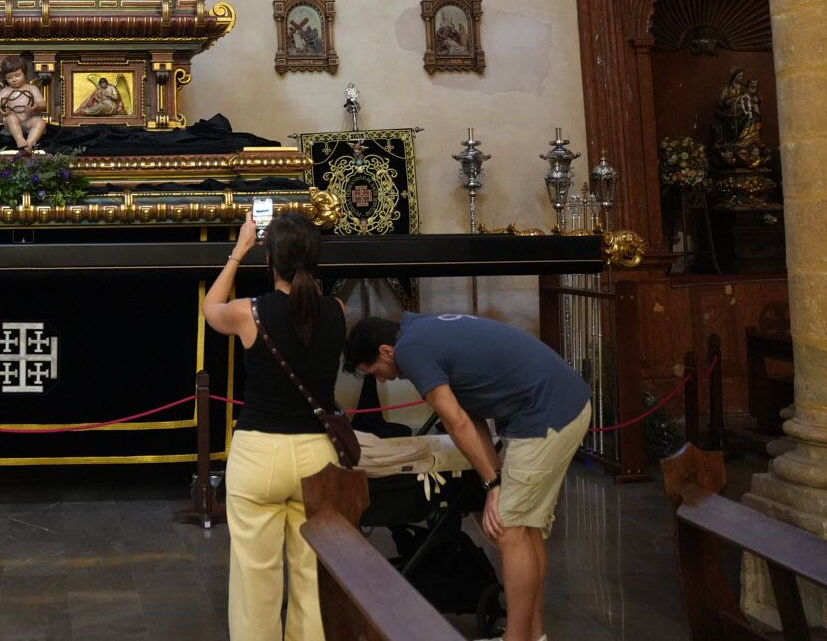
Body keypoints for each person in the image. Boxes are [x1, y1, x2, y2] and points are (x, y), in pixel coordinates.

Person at [345, 314, 592, 641]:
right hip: (561, 401)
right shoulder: (418, 328)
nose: (382, 381)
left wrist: (493, 485)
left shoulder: (412, 350)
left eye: (375, 372)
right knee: (525, 530)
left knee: (509, 528)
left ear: (387, 351)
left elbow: (457, 421)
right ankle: (533, 636)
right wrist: (494, 478)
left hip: (546, 412)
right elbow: (468, 415)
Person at [204, 211, 346, 641]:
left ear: (271, 259)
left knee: (255, 583)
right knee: (311, 579)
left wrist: (237, 251)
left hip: (258, 455)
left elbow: (210, 309)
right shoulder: (337, 312)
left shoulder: (251, 313)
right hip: (317, 459)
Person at [0, 55, 46, 153]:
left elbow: (43, 104)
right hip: (12, 123)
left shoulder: (32, 89)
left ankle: (30, 143)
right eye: (9, 77)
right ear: (5, 78)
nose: (14, 79)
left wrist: (35, 107)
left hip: (29, 120)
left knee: (40, 122)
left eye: (17, 75)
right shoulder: (5, 91)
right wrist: (0, 108)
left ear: (25, 74)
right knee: (11, 116)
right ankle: (19, 139)